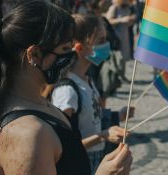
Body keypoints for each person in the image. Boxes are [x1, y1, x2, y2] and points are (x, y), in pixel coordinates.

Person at [0, 1, 132, 175]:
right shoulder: (29, 136)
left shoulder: (34, 102)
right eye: (65, 49)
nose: (71, 57)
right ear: (34, 55)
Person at [51, 13, 134, 174]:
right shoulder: (67, 91)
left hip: (96, 159)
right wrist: (102, 136)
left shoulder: (87, 79)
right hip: (80, 165)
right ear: (79, 47)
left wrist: (119, 115)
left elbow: (91, 117)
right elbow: (63, 147)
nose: (107, 45)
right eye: (100, 41)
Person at [106, 0, 135, 81]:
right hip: (116, 36)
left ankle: (122, 75)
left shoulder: (127, 8)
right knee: (118, 57)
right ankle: (115, 77)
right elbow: (108, 21)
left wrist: (130, 21)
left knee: (124, 56)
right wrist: (121, 20)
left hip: (125, 35)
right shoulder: (114, 7)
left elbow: (128, 22)